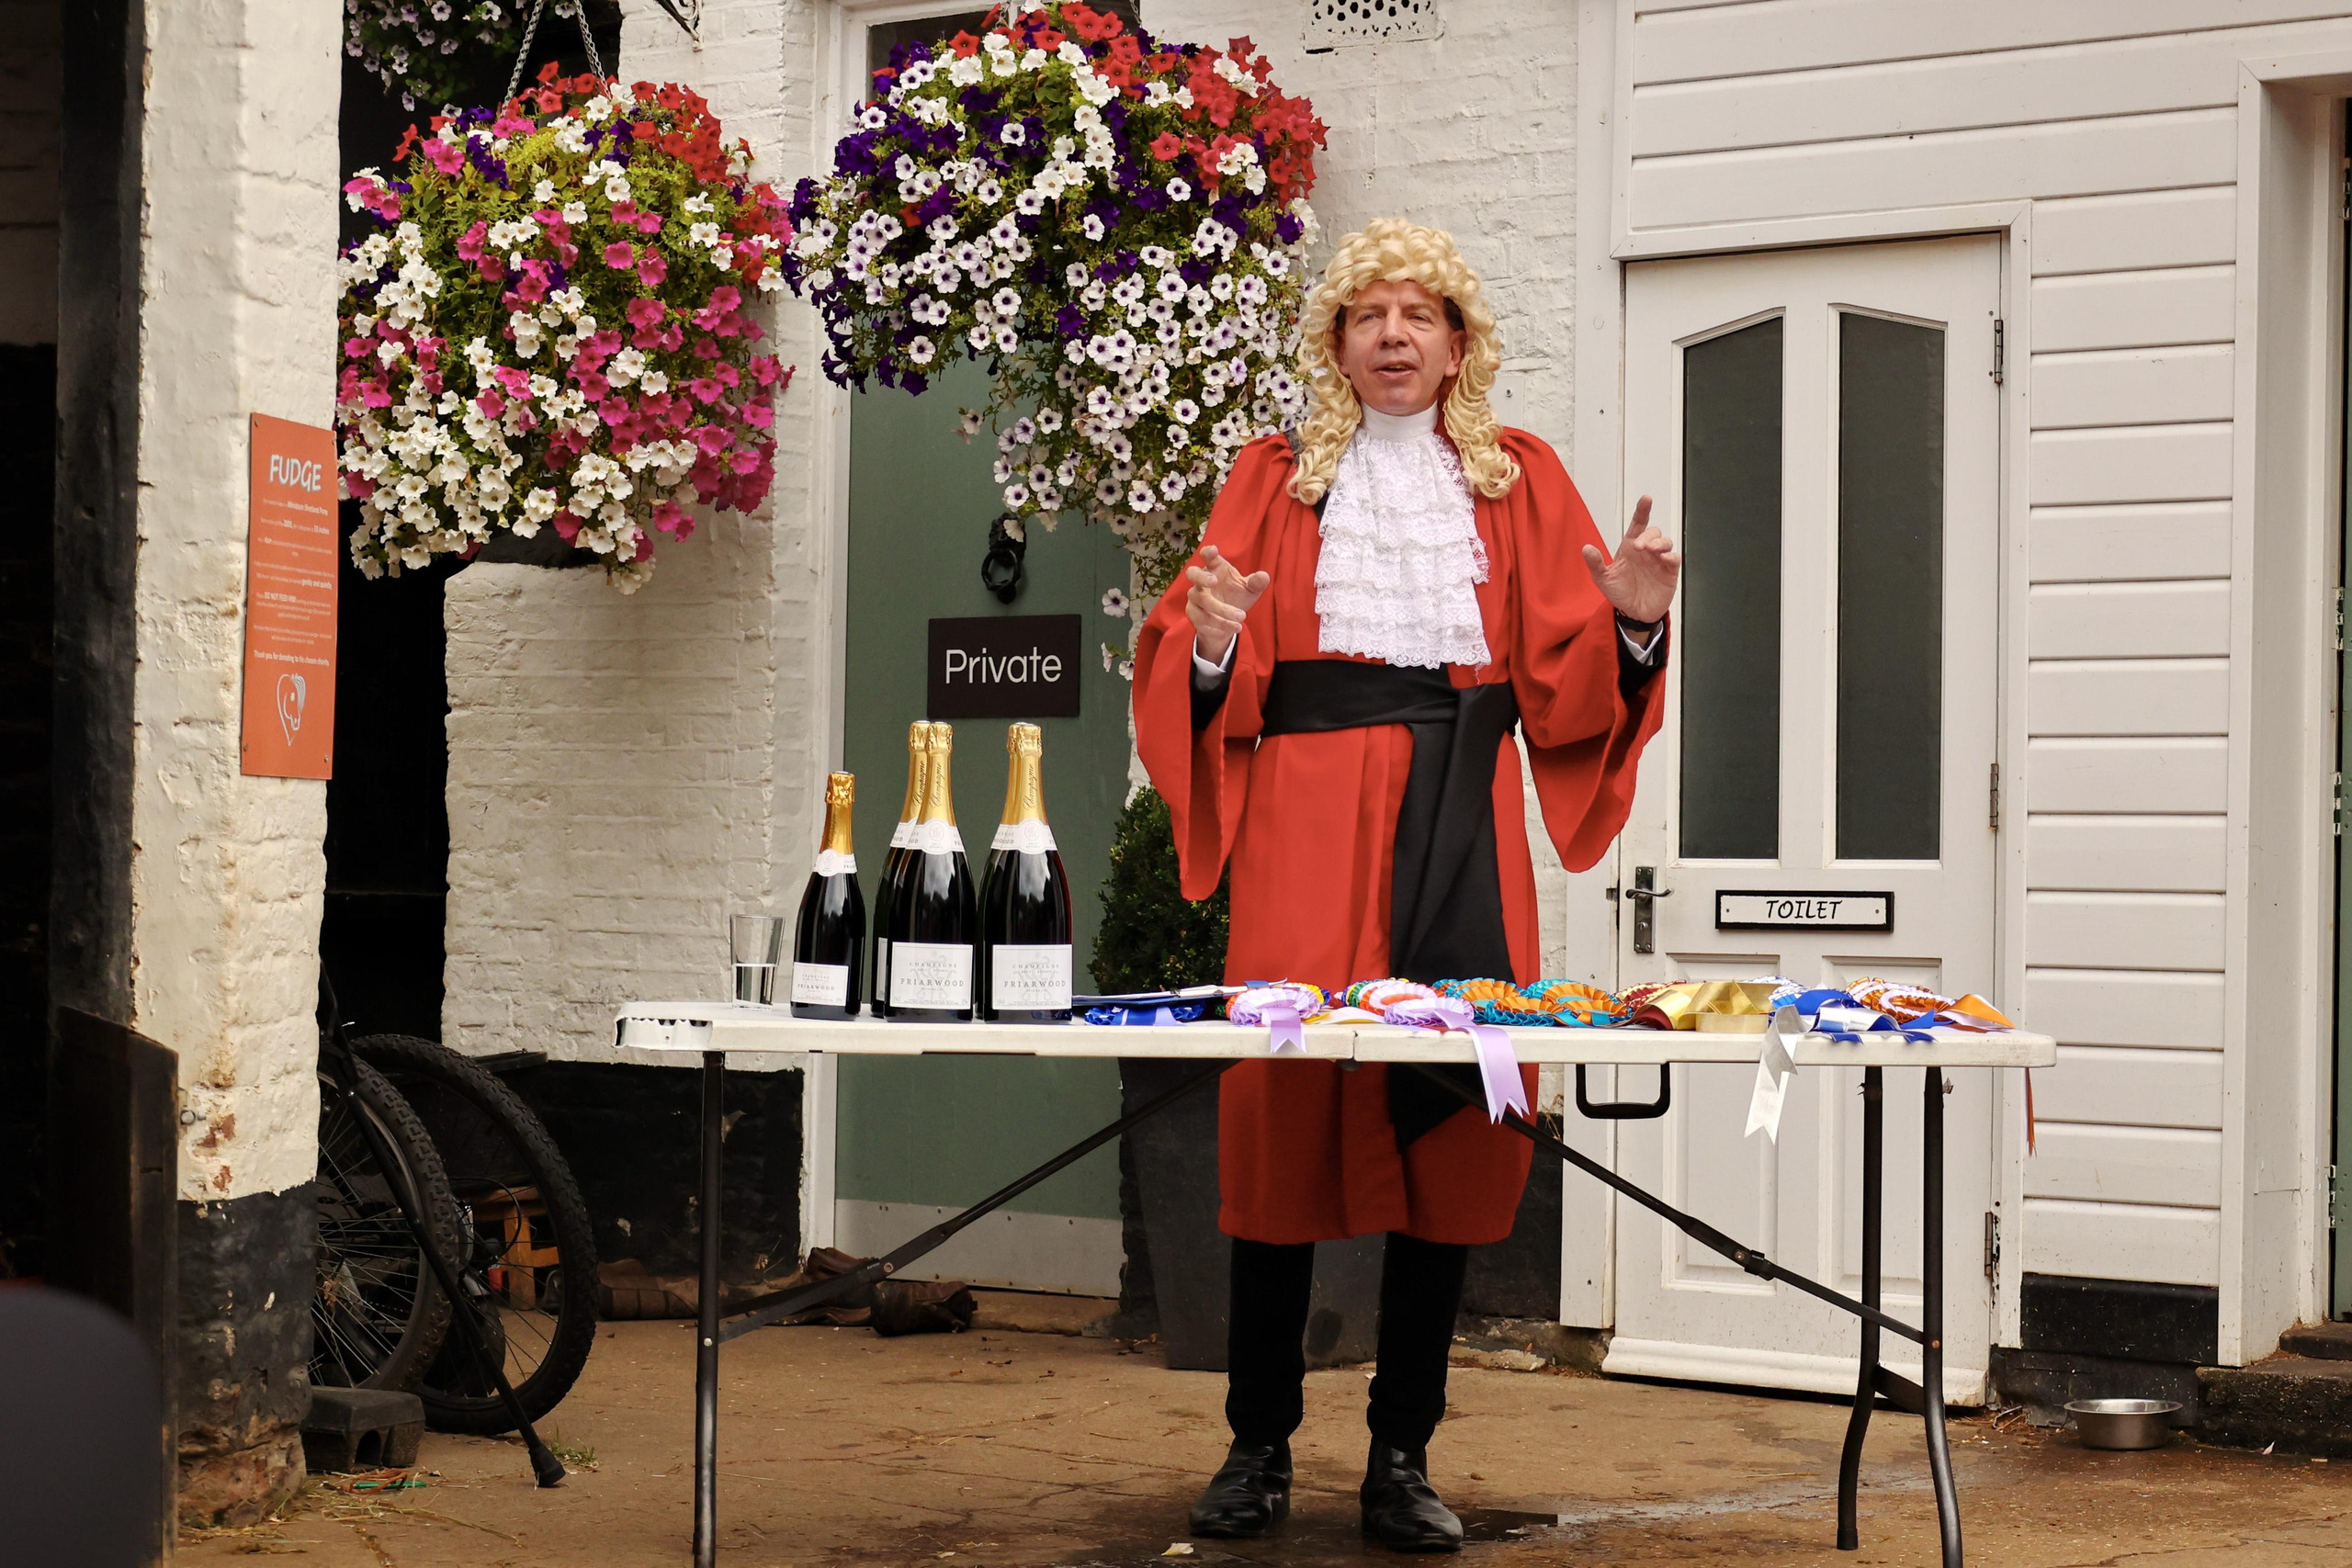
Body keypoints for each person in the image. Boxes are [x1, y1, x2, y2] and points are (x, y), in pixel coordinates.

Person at [1133, 219, 1679, 1552]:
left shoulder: (1521, 479)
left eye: (1418, 314)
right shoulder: (1271, 479)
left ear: (1457, 342)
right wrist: (1206, 644)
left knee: (1452, 1119)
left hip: (1466, 810)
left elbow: (1562, 687)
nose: (1392, 335)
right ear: (1335, 344)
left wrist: (1636, 623)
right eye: (1367, 314)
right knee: (1280, 1104)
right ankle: (1258, 1447)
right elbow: (1205, 643)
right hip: (1306, 815)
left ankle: (1401, 1457)